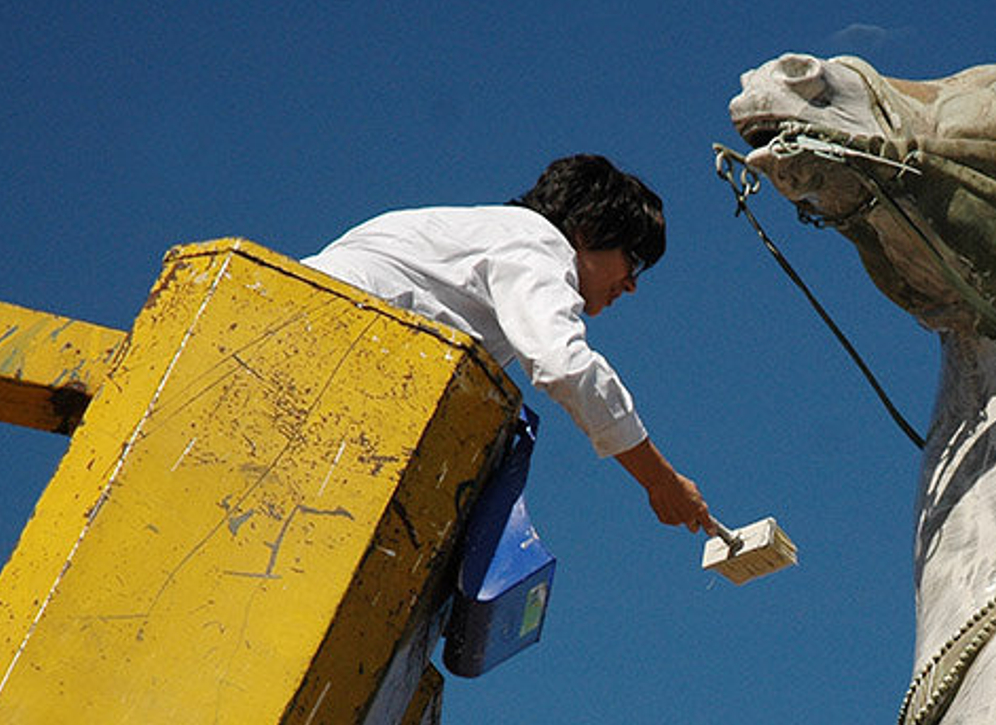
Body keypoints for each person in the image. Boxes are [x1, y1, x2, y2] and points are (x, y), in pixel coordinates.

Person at [304, 153, 712, 531]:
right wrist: (660, 481)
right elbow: (563, 365)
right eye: (633, 258)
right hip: (326, 349)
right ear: (588, 229)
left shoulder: (480, 235)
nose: (632, 284)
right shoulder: (536, 244)